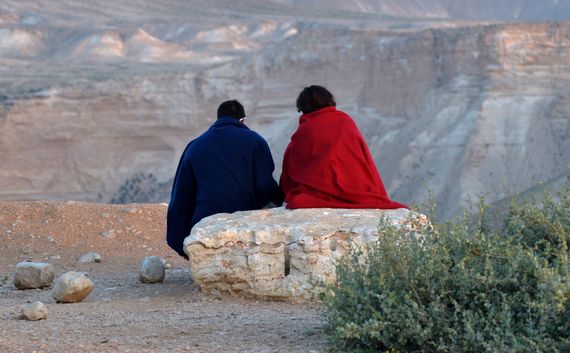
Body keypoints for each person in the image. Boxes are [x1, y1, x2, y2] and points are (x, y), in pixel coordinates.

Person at [166, 99, 283, 258]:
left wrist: (183, 244)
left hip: (205, 226)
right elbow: (265, 187)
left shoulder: (195, 146)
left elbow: (181, 197)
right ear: (242, 120)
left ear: (218, 118)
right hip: (245, 225)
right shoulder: (255, 141)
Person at [279, 85, 406, 210]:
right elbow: (364, 156)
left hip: (316, 194)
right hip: (357, 189)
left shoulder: (305, 129)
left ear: (303, 107)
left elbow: (292, 167)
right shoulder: (345, 120)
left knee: (299, 199)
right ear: (329, 101)